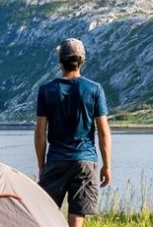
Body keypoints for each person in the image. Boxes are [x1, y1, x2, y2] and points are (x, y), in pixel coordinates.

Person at [34, 38, 112, 227]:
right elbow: (103, 132)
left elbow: (40, 133)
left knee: (46, 211)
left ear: (60, 62)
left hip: (56, 159)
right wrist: (106, 165)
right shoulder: (94, 89)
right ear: (82, 62)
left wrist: (42, 165)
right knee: (77, 214)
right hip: (85, 160)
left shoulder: (46, 90)